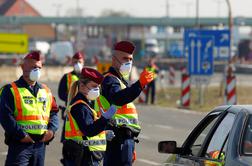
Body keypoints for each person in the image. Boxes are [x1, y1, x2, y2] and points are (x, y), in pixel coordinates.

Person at [95, 40, 154, 166]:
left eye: (131, 59)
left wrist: (130, 144)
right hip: (115, 137)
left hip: (125, 138)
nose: (129, 62)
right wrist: (139, 84)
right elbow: (118, 98)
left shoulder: (120, 81)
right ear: (114, 59)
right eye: (125, 58)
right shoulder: (109, 80)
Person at [0, 50, 59, 166]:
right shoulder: (10, 90)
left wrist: (51, 131)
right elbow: (5, 116)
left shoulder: (46, 90)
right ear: (22, 67)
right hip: (20, 144)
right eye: (33, 67)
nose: (36, 71)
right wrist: (22, 135)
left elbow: (54, 112)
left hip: (40, 145)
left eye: (39, 68)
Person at [63, 67, 117, 166]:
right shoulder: (80, 106)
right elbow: (89, 130)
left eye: (98, 87)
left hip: (85, 155)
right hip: (84, 157)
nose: (97, 90)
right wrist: (104, 119)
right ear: (82, 86)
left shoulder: (85, 104)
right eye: (94, 86)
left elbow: (84, 130)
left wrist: (103, 133)